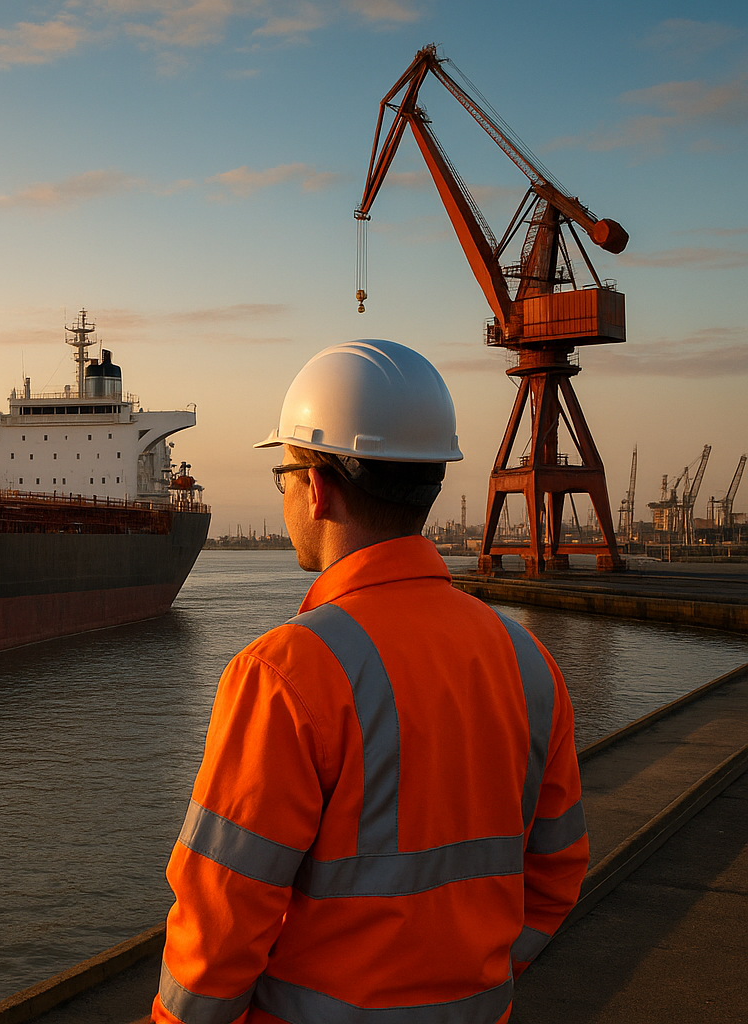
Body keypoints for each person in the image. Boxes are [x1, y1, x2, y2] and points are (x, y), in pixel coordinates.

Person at [153, 339, 588, 1024]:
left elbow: (219, 929)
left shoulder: (284, 676)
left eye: (284, 475)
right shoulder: (528, 660)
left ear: (317, 487)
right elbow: (558, 874)